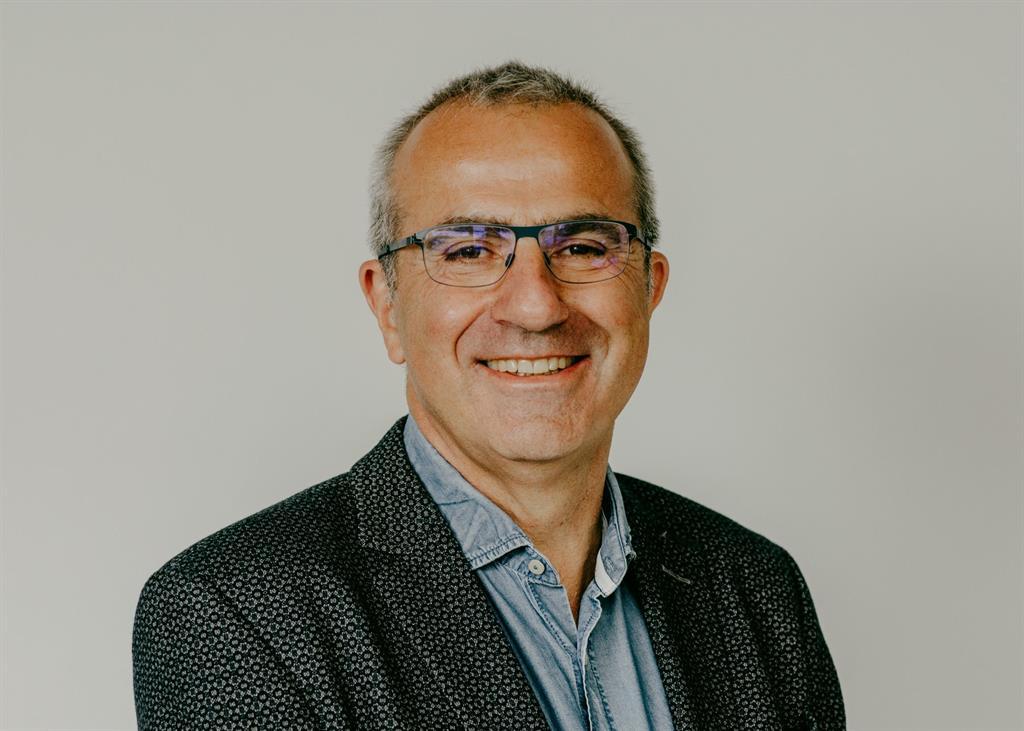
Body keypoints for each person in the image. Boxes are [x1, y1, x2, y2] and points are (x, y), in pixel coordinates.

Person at [132, 61, 845, 730]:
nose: (535, 306)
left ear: (649, 289)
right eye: (468, 251)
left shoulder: (757, 590)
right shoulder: (235, 613)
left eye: (583, 246)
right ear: (388, 307)